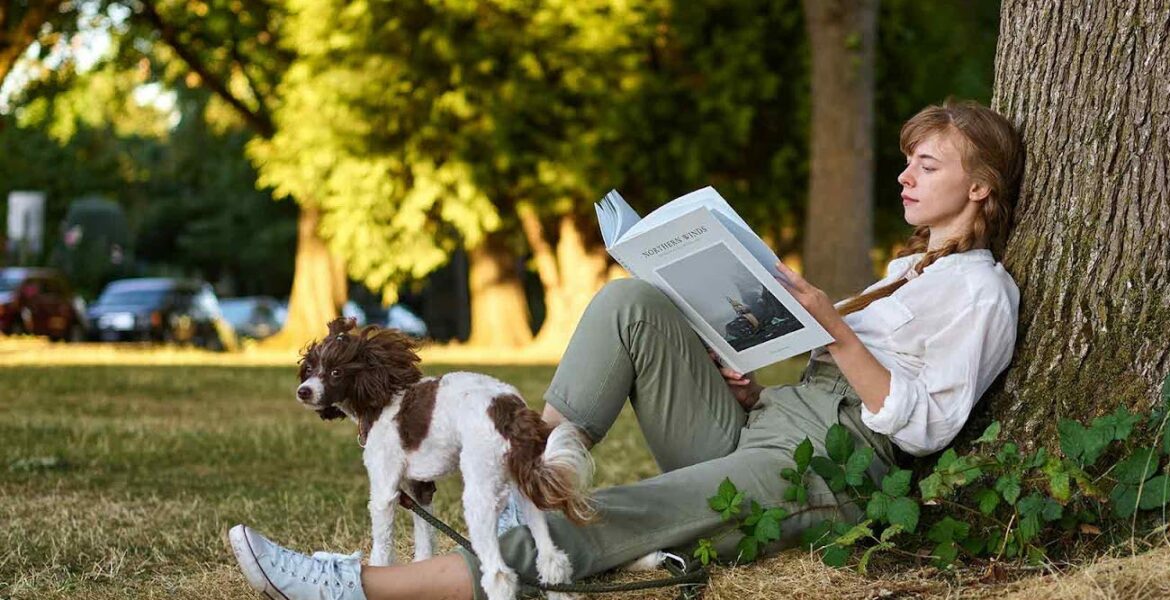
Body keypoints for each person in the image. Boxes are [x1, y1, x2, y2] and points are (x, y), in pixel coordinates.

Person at [227, 98, 1023, 600]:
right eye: (907, 160)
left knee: (627, 509)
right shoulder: (907, 272)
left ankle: (362, 585)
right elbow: (835, 365)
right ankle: (519, 466)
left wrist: (838, 329)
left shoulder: (983, 292)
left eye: (928, 163)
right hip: (776, 421)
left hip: (833, 465)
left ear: (980, 187)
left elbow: (926, 428)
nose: (905, 176)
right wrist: (752, 384)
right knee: (635, 301)